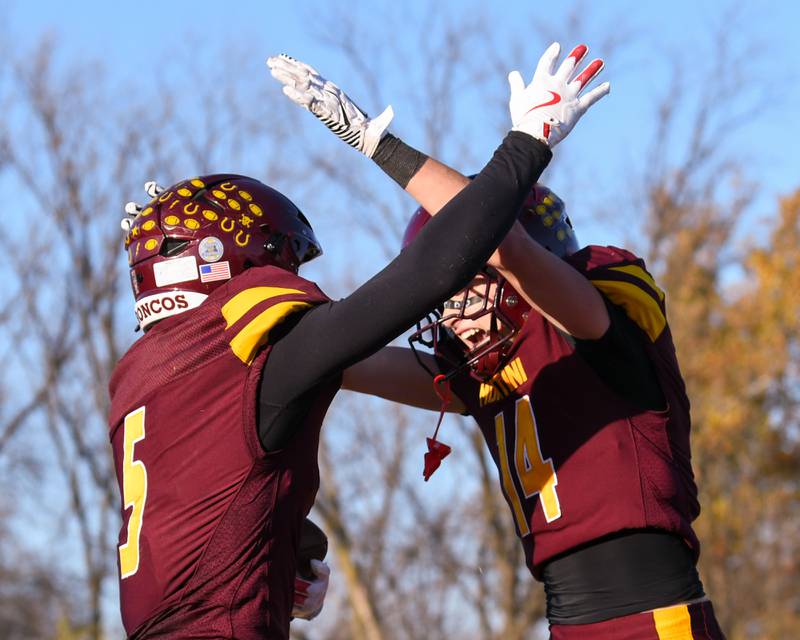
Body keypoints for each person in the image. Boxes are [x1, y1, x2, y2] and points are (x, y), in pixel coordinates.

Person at [108, 43, 609, 639]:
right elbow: (428, 274)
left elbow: (197, 509)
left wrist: (277, 553)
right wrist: (526, 146)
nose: (291, 276)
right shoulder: (247, 348)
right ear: (228, 259)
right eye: (279, 256)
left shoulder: (147, 373)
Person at [272, 48, 727, 639]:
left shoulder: (589, 321)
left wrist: (375, 142)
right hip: (569, 624)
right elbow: (329, 359)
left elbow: (502, 245)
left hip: (652, 617)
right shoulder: (486, 374)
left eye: (463, 287)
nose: (451, 308)